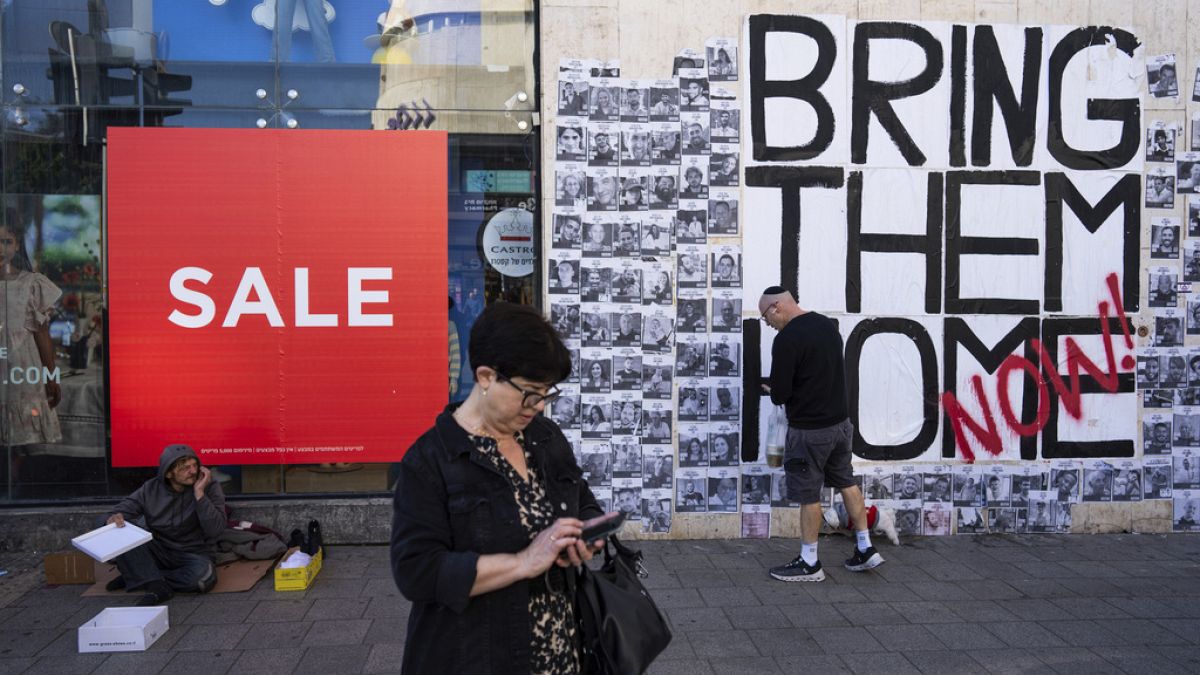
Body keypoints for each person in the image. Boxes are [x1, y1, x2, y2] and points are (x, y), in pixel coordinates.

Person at [391, 303, 616, 675]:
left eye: (546, 394)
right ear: (485, 376)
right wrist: (523, 562)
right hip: (477, 657)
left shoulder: (544, 437)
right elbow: (416, 571)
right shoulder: (430, 461)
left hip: (563, 653)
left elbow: (580, 496)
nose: (539, 406)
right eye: (530, 393)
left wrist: (588, 531)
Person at [760, 287, 883, 581]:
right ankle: (865, 547)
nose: (768, 324)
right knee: (846, 482)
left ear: (776, 307)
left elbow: (780, 394)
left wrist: (772, 389)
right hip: (840, 425)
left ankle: (809, 562)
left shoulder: (787, 339)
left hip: (810, 431)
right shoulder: (826, 325)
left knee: (808, 494)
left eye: (766, 317)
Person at [103, 445, 225, 605]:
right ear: (168, 473)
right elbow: (117, 512)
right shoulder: (150, 488)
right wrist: (112, 519)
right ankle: (152, 581)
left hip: (193, 553)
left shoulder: (208, 486)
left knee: (202, 578)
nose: (193, 471)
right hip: (158, 550)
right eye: (185, 468)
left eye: (195, 465)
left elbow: (216, 530)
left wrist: (200, 494)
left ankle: (142, 577)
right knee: (121, 529)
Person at [0, 222, 63, 448]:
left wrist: (51, 376)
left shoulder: (30, 284)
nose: (0, 249)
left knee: (18, 443)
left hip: (21, 370)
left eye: (6, 242)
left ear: (17, 245)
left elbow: (42, 334)